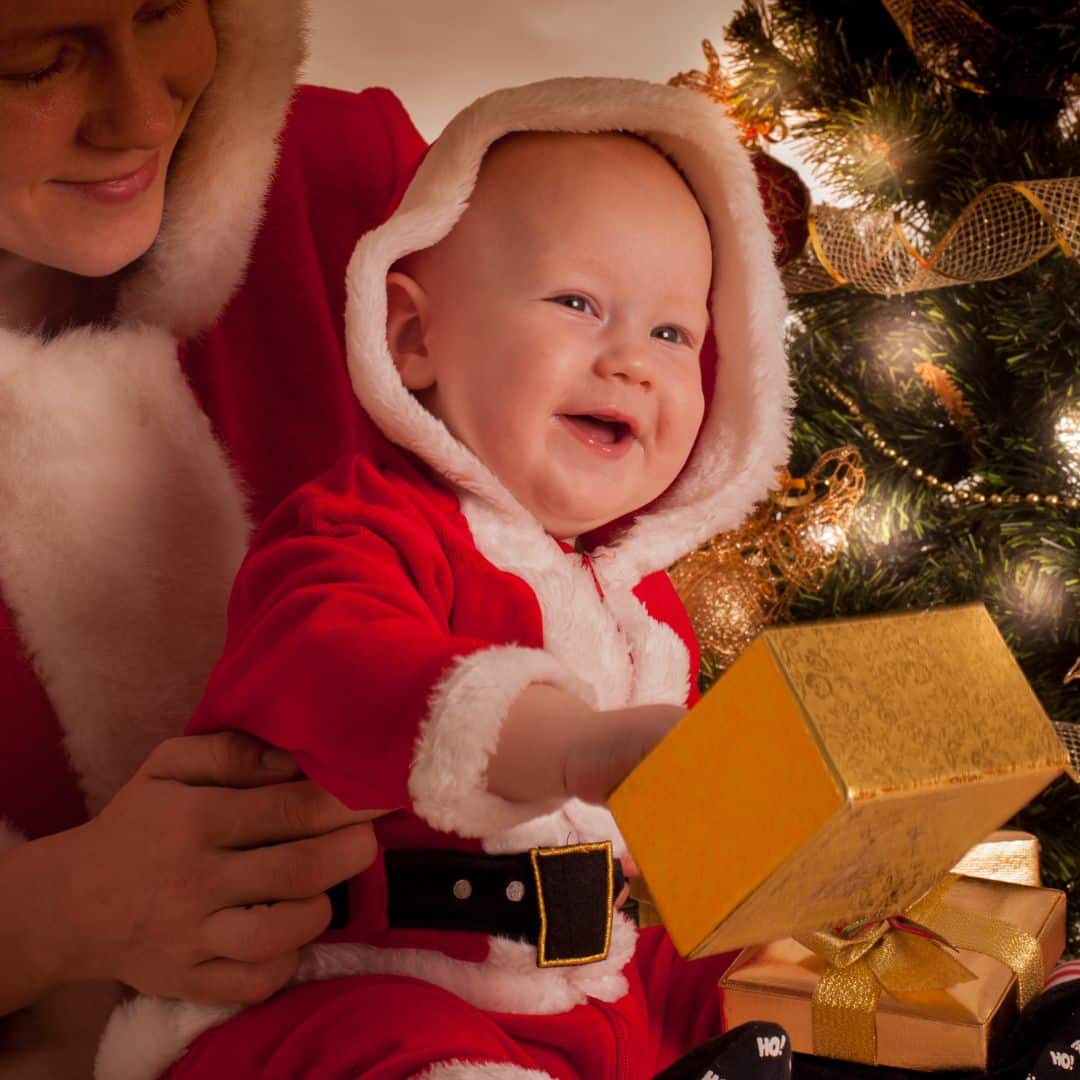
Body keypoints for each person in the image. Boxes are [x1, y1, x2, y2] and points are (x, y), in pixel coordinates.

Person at [110, 77, 792, 1080]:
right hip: (347, 990)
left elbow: (660, 887)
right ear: (414, 337)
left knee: (763, 998)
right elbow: (333, 664)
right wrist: (577, 745)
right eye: (578, 304)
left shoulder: (646, 618)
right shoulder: (359, 527)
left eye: (672, 334)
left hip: (585, 1008)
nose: (633, 364)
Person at [0, 1, 425, 1075]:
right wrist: (53, 916)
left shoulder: (355, 192)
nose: (142, 114)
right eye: (38, 64)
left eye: (159, 10)